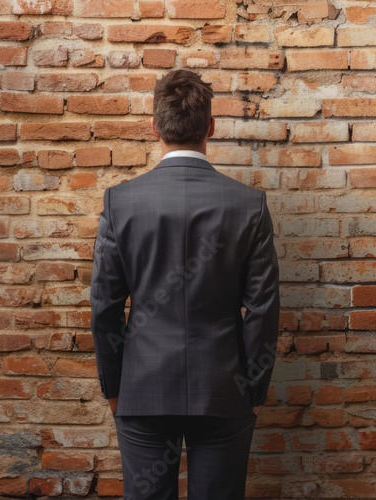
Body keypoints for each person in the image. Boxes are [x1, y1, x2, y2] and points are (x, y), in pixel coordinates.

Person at [90, 68, 280, 500]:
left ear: (154, 126)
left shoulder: (121, 203)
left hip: (143, 388)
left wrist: (114, 387)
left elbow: (104, 305)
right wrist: (255, 387)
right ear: (211, 127)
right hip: (225, 389)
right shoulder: (248, 205)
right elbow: (263, 308)